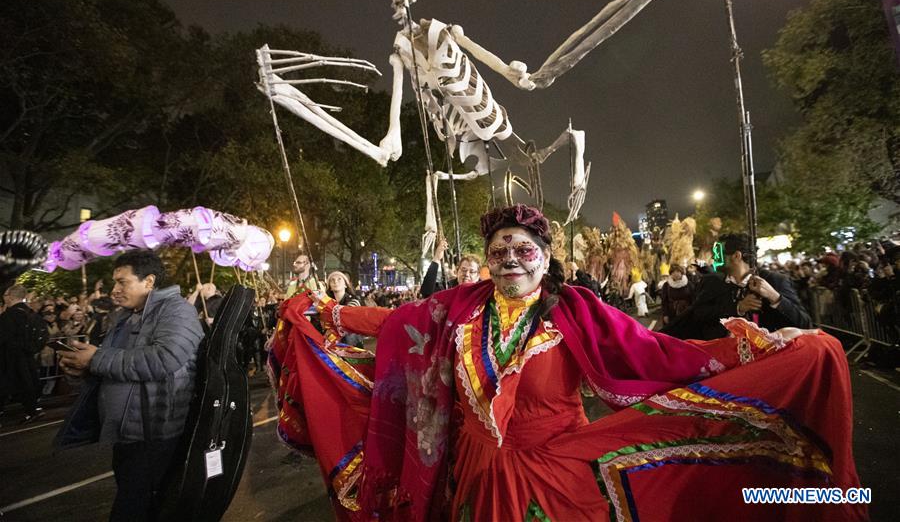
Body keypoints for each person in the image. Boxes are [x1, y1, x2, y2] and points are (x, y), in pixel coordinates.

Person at [269, 206, 862, 521]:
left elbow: (659, 353)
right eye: (498, 251)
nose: (510, 260)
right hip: (475, 475)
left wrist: (754, 346)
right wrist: (330, 316)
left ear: (545, 257)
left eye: (522, 250)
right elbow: (397, 324)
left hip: (559, 473)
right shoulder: (461, 308)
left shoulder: (573, 309)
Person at [55, 250, 203, 522]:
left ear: (148, 281)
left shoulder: (177, 311)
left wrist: (96, 357)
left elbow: (164, 358)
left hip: (155, 435)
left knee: (134, 510)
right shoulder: (124, 317)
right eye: (115, 282)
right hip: (127, 436)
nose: (115, 290)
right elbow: (114, 366)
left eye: (123, 282)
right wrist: (81, 367)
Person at [662, 233, 811, 340]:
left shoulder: (775, 281)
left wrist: (775, 297)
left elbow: (805, 324)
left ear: (736, 256)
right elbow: (698, 314)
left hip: (767, 364)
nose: (714, 258)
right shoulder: (711, 282)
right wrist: (737, 308)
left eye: (718, 253)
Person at [0, 284, 47, 423]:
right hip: (27, 356)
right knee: (27, 384)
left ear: (10, 297)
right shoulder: (33, 315)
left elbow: (3, 338)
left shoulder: (7, 316)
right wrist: (31, 349)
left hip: (8, 358)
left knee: (4, 384)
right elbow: (43, 336)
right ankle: (32, 410)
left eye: (5, 295)